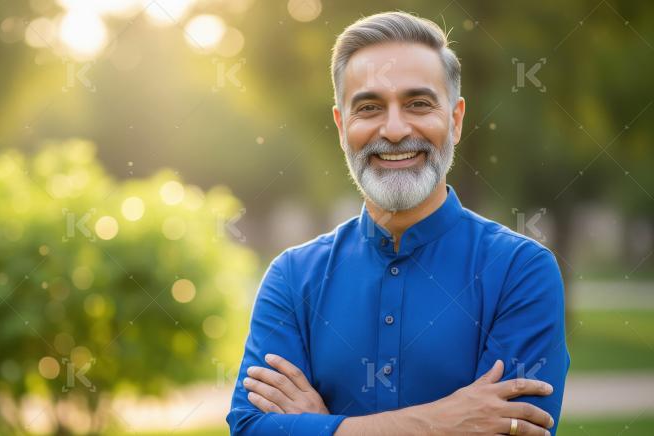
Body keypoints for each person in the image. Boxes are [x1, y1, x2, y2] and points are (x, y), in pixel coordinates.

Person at [226, 11, 569, 436]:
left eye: (418, 104)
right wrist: (441, 422)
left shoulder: (522, 272)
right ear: (340, 126)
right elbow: (250, 429)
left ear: (456, 120)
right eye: (369, 107)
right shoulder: (292, 278)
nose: (392, 129)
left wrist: (322, 426)